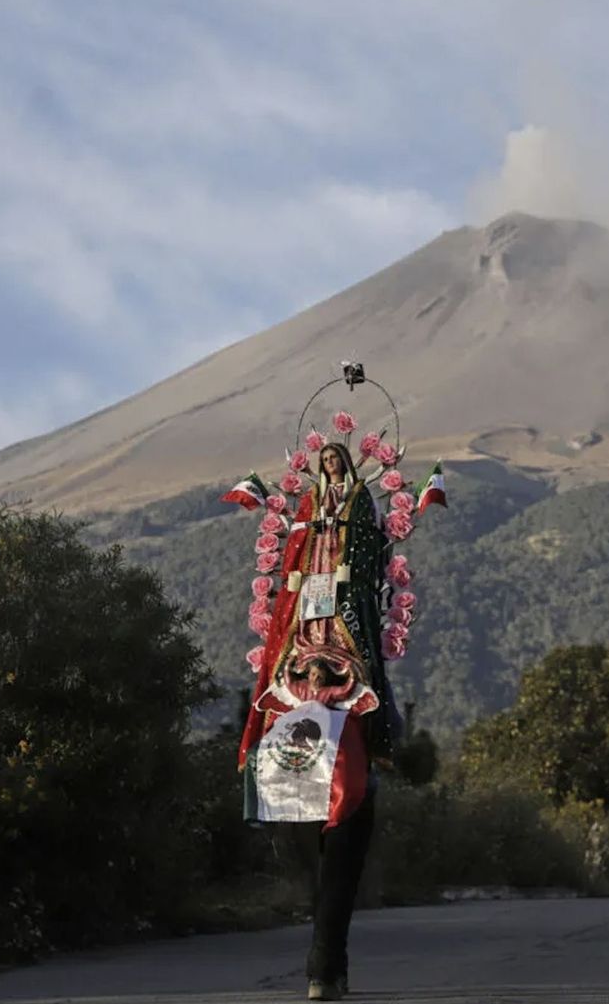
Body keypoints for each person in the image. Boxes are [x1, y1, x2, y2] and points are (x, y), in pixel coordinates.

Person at [233, 410, 441, 1002]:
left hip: (345, 614)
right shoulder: (306, 517)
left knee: (367, 677)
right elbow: (294, 562)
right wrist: (302, 575)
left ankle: (381, 742)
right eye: (323, 463)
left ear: (349, 468)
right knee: (285, 678)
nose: (329, 468)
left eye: (335, 462)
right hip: (307, 614)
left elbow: (374, 560)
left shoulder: (361, 516)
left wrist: (349, 562)